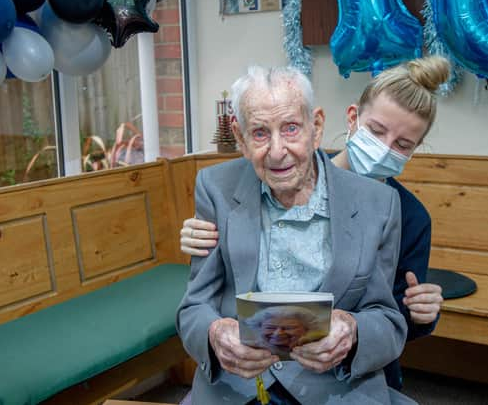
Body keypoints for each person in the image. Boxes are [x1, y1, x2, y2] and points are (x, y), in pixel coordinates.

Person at [179, 56, 448, 390]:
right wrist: (215, 334)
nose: (278, 151)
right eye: (260, 133)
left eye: (291, 128)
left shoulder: (390, 206)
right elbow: (194, 306)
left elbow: (390, 317)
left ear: (315, 127)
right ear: (241, 136)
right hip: (240, 385)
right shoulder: (217, 189)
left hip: (336, 383)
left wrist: (355, 330)